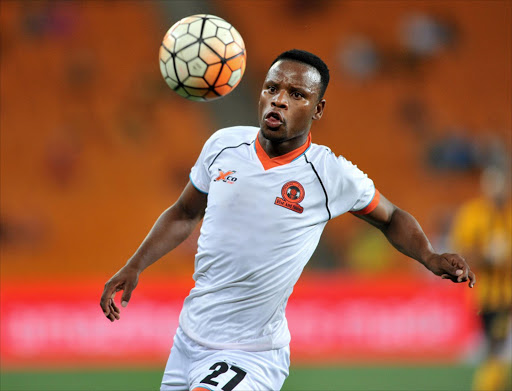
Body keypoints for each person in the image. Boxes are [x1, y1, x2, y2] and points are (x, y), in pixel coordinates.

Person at [100, 49, 476, 391]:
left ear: (318, 109)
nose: (279, 99)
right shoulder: (223, 145)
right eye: (272, 87)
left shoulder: (330, 174)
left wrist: (431, 256)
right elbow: (184, 213)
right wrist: (135, 266)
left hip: (252, 354)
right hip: (188, 340)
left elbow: (391, 217)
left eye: (297, 94)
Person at [450, 165, 511, 391]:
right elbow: (461, 253)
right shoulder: (473, 214)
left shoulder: (509, 214)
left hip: (506, 294)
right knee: (496, 348)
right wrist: (489, 254)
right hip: (488, 296)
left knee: (497, 348)